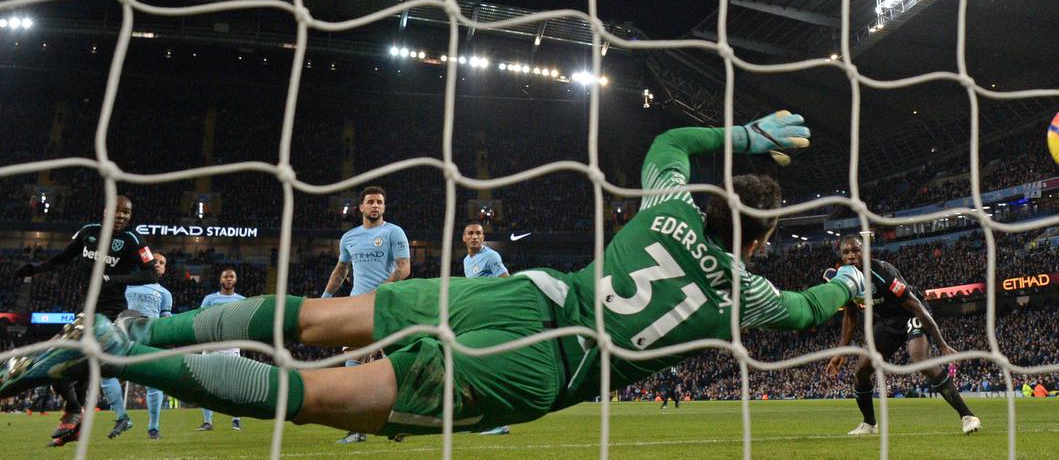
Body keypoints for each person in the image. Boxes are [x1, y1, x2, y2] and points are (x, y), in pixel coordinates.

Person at [2, 112, 866, 440]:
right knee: (312, 396)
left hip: (524, 294)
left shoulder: (667, 211)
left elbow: (668, 146)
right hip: (538, 365)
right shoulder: (741, 291)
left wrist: (745, 138)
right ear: (753, 241)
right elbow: (804, 307)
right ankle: (113, 363)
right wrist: (853, 285)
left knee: (311, 318)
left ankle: (137, 335)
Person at [12, 195, 157, 446]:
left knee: (61, 360)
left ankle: (73, 412)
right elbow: (63, 258)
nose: (122, 216)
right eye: (118, 211)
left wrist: (115, 280)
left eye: (127, 213)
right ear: (106, 210)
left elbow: (152, 273)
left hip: (109, 315)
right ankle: (74, 418)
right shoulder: (88, 233)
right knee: (72, 369)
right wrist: (34, 269)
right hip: (85, 309)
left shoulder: (133, 240)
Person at [825, 234, 980, 436]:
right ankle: (869, 424)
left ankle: (968, 416)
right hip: (887, 321)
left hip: (910, 315)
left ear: (864, 252)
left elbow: (916, 306)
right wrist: (841, 352)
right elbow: (850, 316)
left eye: (856, 250)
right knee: (861, 369)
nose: (851, 255)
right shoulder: (846, 281)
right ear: (841, 258)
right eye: (846, 252)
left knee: (920, 359)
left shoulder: (881, 272)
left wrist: (941, 344)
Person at [322, 185, 411, 443]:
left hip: (388, 306)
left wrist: (380, 291)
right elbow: (341, 271)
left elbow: (404, 269)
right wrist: (325, 299)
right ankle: (357, 429)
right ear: (361, 207)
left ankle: (399, 422)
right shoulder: (349, 237)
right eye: (371, 201)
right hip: (357, 307)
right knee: (353, 367)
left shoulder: (394, 232)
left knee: (395, 366)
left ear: (384, 207)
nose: (375, 206)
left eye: (380, 202)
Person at [462, 221, 512, 434]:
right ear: (464, 238)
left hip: (492, 320)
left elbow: (506, 282)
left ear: (483, 237)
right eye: (471, 233)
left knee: (489, 369)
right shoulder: (467, 260)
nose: (475, 237)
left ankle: (500, 422)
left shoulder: (491, 257)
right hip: (477, 320)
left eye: (479, 234)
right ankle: (481, 420)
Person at [124, 253, 173, 440]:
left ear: (164, 269)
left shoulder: (165, 294)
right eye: (157, 261)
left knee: (153, 383)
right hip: (125, 336)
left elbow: (166, 320)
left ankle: (153, 427)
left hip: (151, 338)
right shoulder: (128, 283)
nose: (159, 264)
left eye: (163, 263)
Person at [195, 268, 246, 432]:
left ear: (236, 280)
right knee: (205, 384)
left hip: (231, 346)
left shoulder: (242, 300)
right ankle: (207, 421)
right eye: (226, 276)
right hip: (211, 345)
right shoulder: (210, 299)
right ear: (221, 280)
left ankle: (236, 419)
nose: (229, 279)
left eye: (232, 276)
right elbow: (200, 318)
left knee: (234, 384)